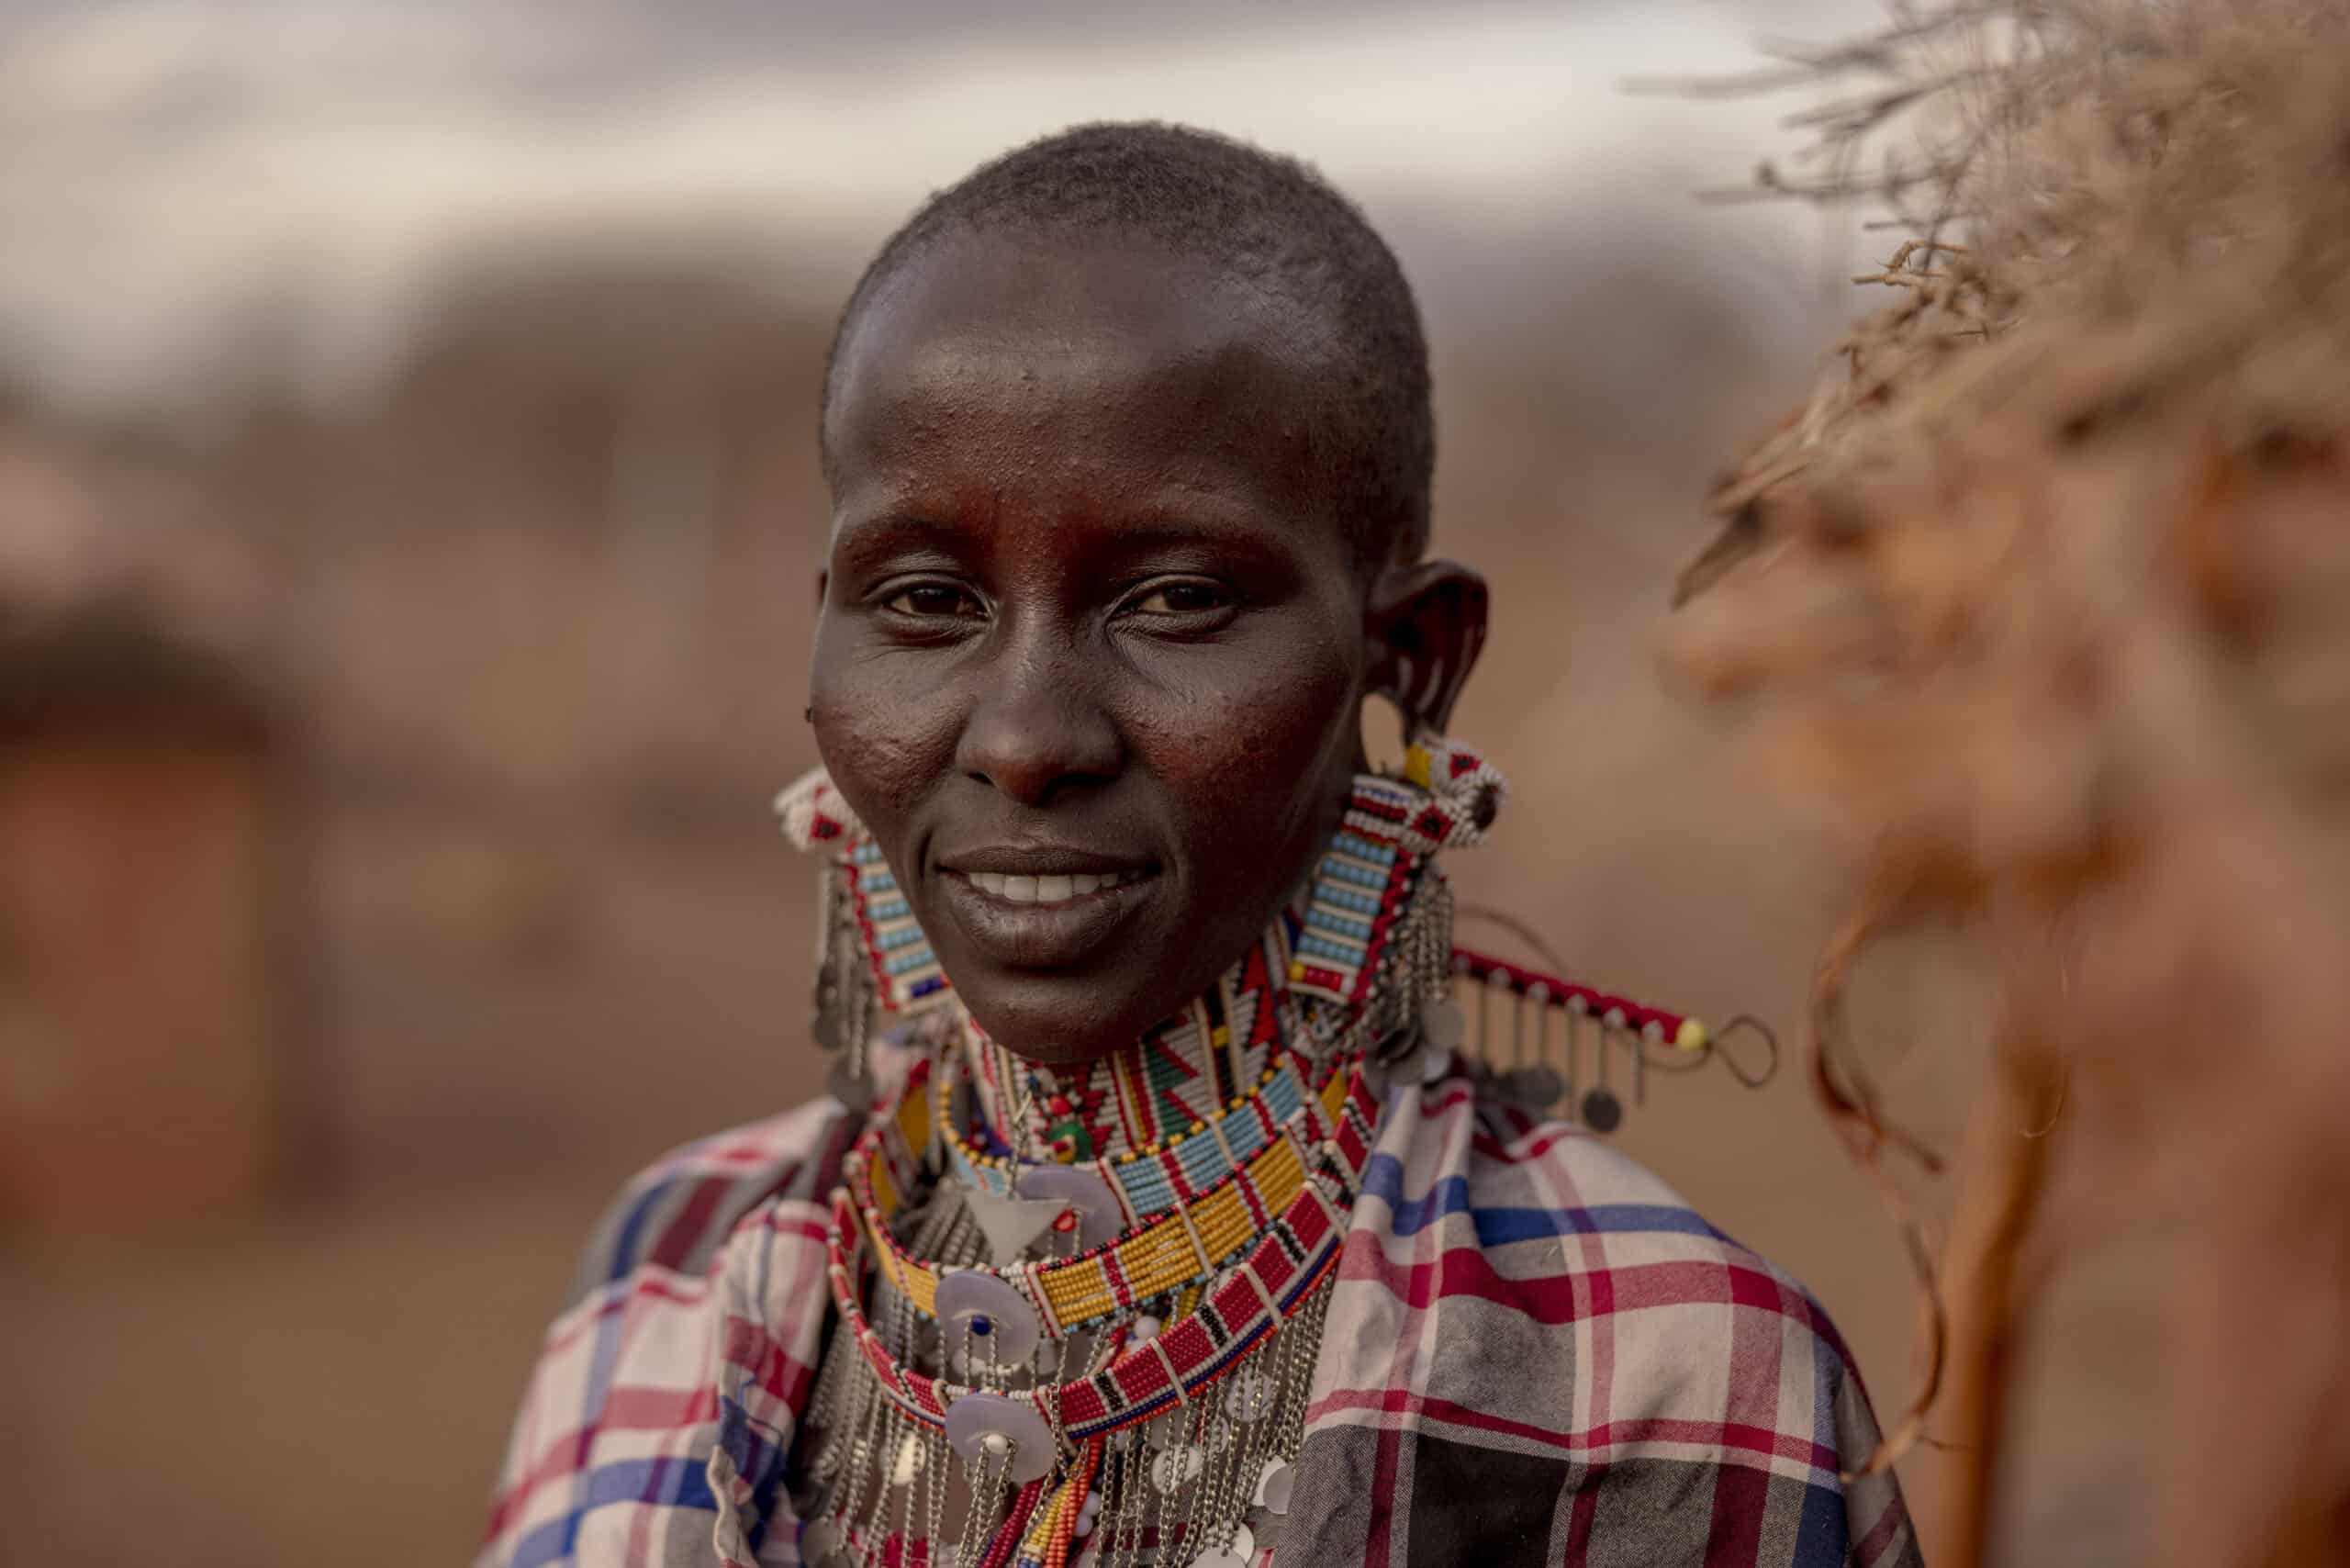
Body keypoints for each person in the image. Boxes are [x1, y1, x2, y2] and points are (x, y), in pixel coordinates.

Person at [479, 122, 1919, 1568]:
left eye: (1173, 599)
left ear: (1409, 659)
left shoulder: (1666, 1381)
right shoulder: (669, 1272)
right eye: (923, 599)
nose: (1027, 739)